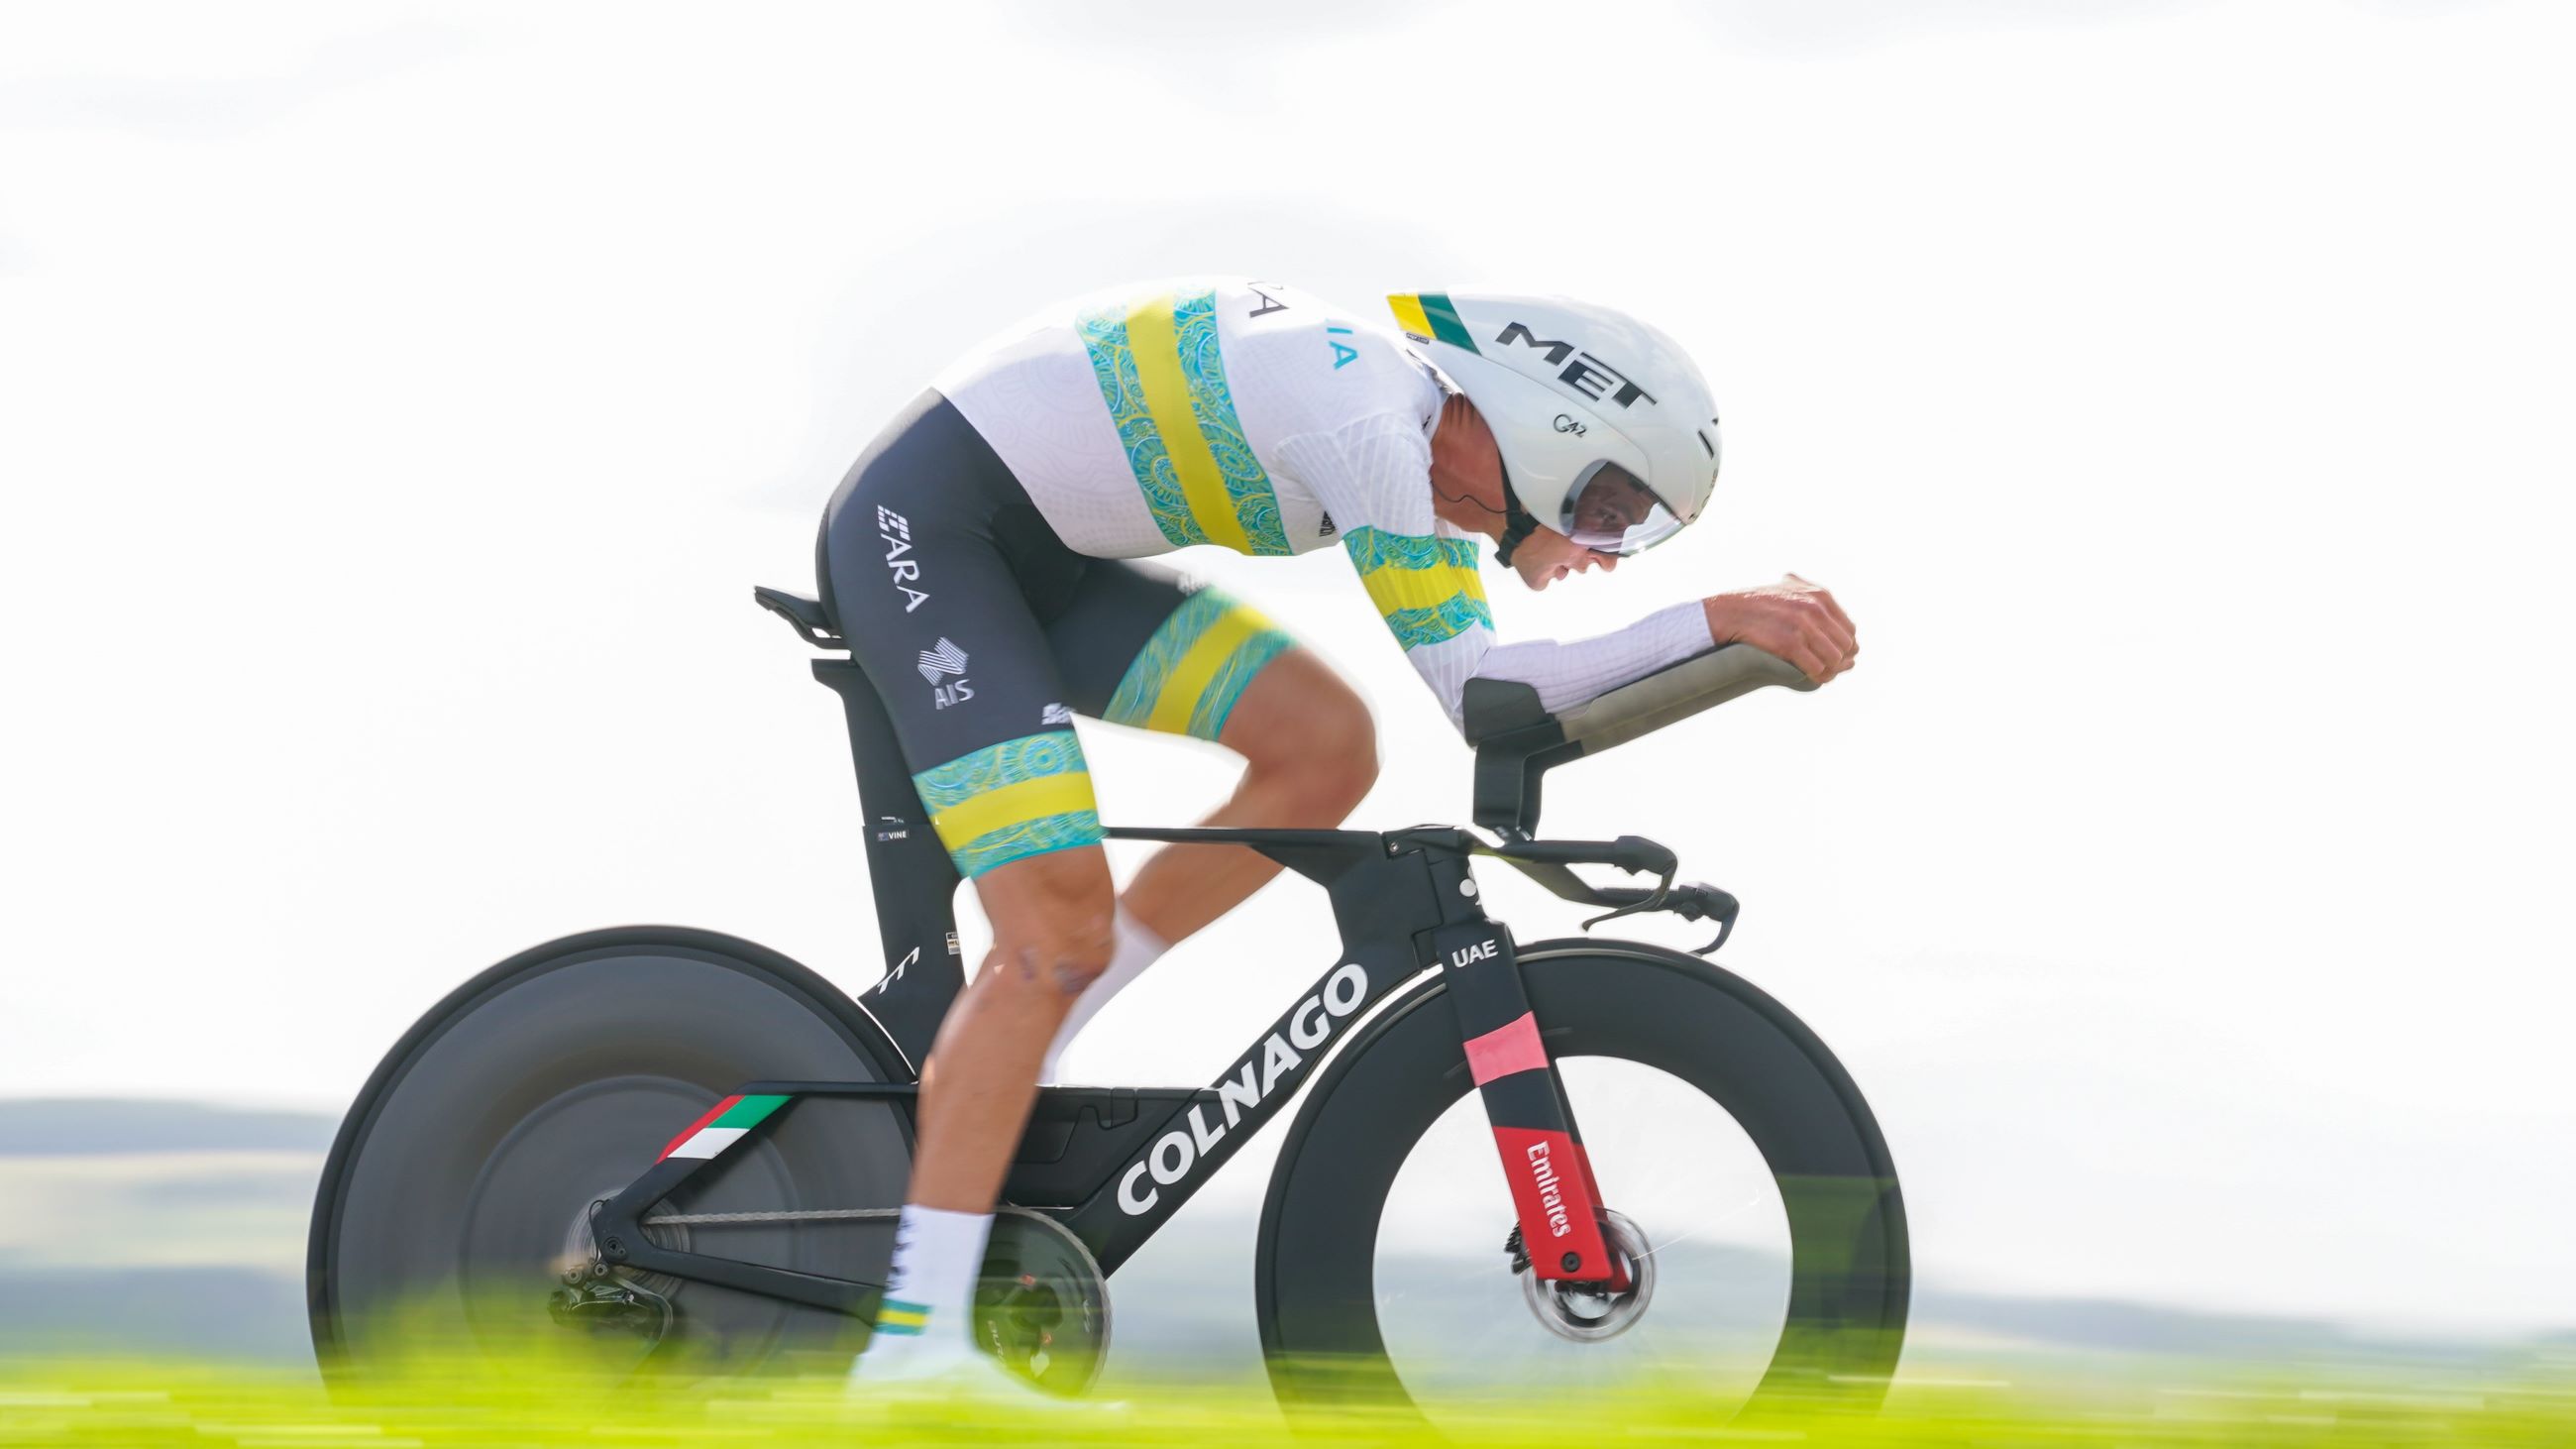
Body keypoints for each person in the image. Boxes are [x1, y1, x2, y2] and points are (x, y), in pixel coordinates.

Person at [814, 280, 1859, 1392]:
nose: (1607, 552)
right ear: (1546, 437)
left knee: (1323, 747)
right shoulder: (1370, 426)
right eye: (1612, 509)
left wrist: (1726, 644)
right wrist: (1721, 620)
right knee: (1049, 931)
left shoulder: (1408, 444)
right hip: (928, 535)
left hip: (1035, 562)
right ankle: (911, 1351)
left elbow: (1506, 699)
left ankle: (1044, 1016)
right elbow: (1487, 694)